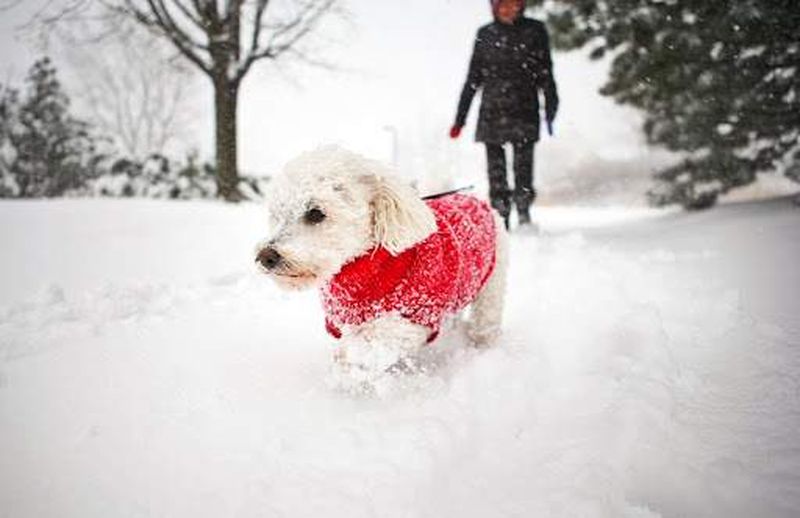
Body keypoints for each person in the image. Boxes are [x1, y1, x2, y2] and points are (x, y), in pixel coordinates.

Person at [450, 0, 559, 229]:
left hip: (525, 109)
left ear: (521, 6)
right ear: (494, 7)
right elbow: (473, 79)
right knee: (496, 170)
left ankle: (524, 212)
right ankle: (501, 216)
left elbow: (546, 73)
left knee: (523, 167)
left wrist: (550, 108)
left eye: (513, 4)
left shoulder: (534, 31)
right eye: (502, 5)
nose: (508, 10)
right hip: (492, 111)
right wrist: (460, 119)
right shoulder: (486, 34)